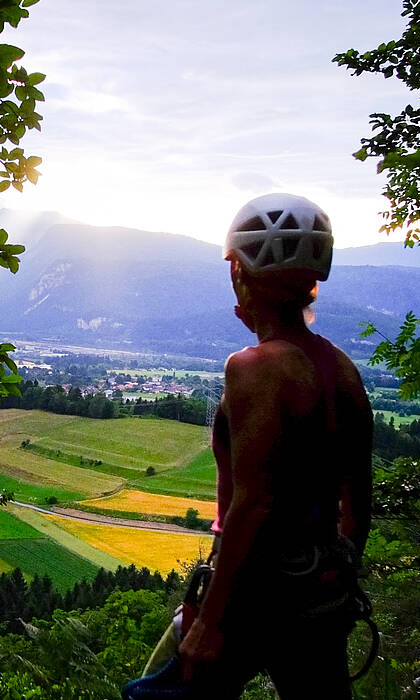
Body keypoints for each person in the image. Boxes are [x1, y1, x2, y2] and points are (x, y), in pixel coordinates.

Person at [134, 193, 374, 699]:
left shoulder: (253, 366)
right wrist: (341, 574)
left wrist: (211, 620)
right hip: (322, 590)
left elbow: (254, 500)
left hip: (250, 591)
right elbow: (358, 498)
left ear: (238, 272)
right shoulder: (342, 370)